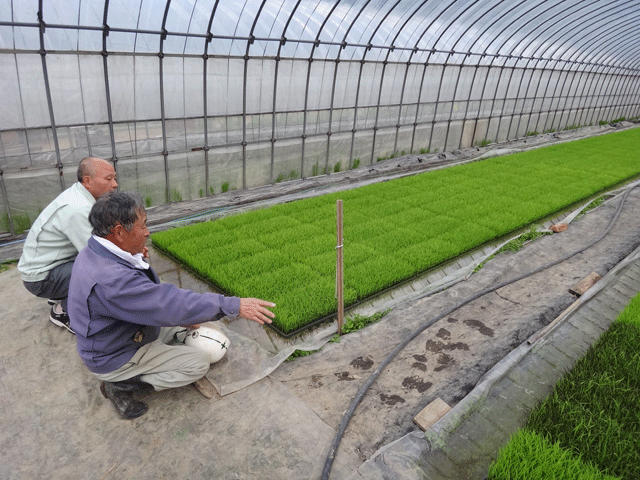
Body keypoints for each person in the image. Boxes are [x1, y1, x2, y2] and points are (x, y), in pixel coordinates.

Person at [67, 191, 276, 420]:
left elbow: (148, 298)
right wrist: (233, 305)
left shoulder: (96, 250)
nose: (147, 232)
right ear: (118, 232)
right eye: (142, 226)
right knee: (197, 365)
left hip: (122, 331)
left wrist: (136, 258)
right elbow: (165, 303)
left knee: (196, 324)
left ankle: (163, 349)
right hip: (117, 353)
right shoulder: (111, 278)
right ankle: (122, 385)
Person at [18, 157, 119, 334]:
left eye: (114, 178)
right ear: (87, 181)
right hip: (40, 277)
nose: (115, 184)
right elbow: (99, 256)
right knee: (97, 276)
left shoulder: (81, 196)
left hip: (51, 263)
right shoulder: (79, 209)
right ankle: (64, 311)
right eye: (108, 179)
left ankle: (62, 291)